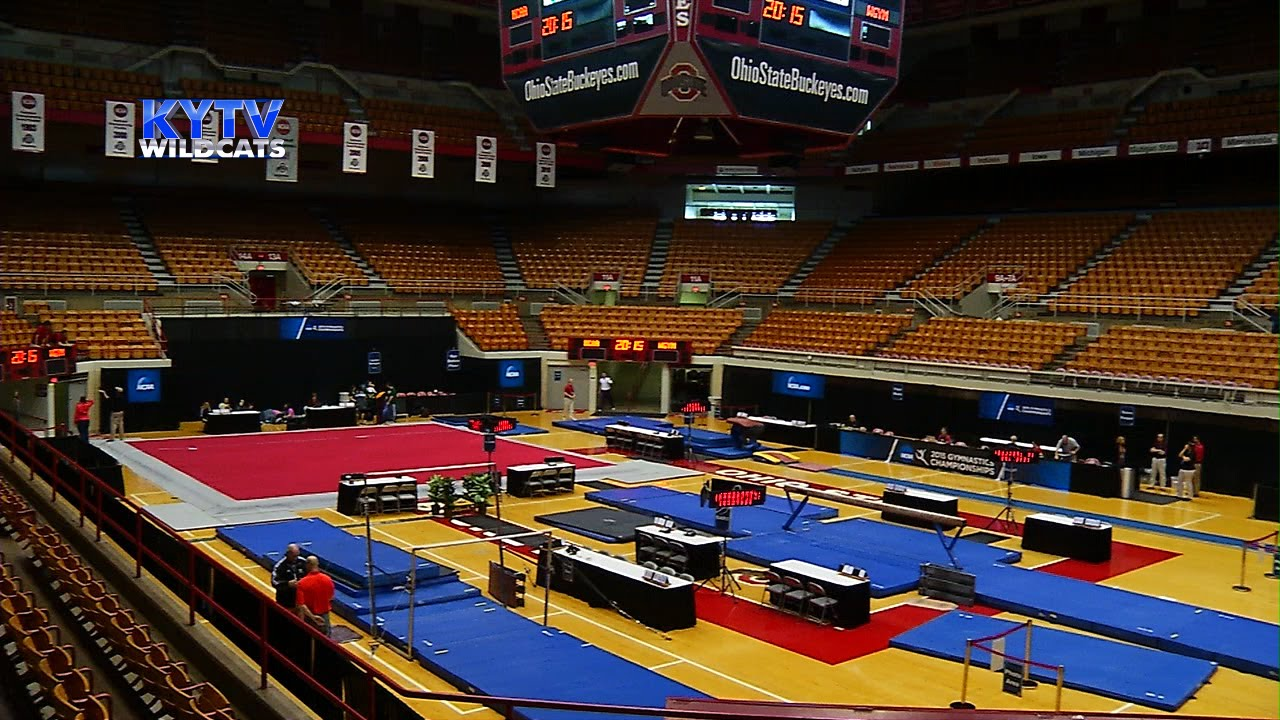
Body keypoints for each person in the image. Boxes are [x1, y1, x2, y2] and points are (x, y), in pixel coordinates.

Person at [294, 556, 335, 635]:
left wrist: (313, 617)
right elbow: (331, 597)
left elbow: (301, 605)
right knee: (326, 640)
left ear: (307, 565)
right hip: (324, 616)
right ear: (318, 564)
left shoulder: (302, 583)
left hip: (310, 616)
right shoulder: (328, 579)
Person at [270, 543, 308, 611]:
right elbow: (274, 582)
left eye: (297, 555)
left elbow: (310, 576)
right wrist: (288, 584)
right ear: (288, 554)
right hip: (285, 602)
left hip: (301, 602)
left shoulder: (302, 562)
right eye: (294, 556)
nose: (296, 558)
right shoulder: (280, 566)